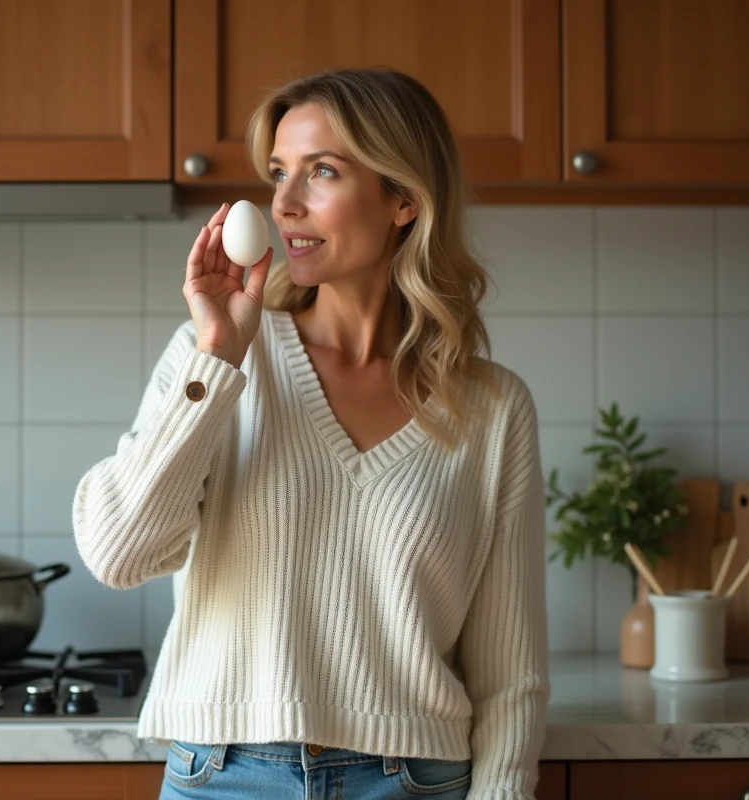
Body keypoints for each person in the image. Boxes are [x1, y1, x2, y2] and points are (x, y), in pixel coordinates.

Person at [72, 67, 549, 800]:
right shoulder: (219, 357)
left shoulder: (491, 408)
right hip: (222, 778)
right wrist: (219, 357)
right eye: (277, 173)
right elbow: (120, 552)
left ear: (404, 200)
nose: (284, 204)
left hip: (413, 783)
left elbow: (511, 675)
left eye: (322, 172)